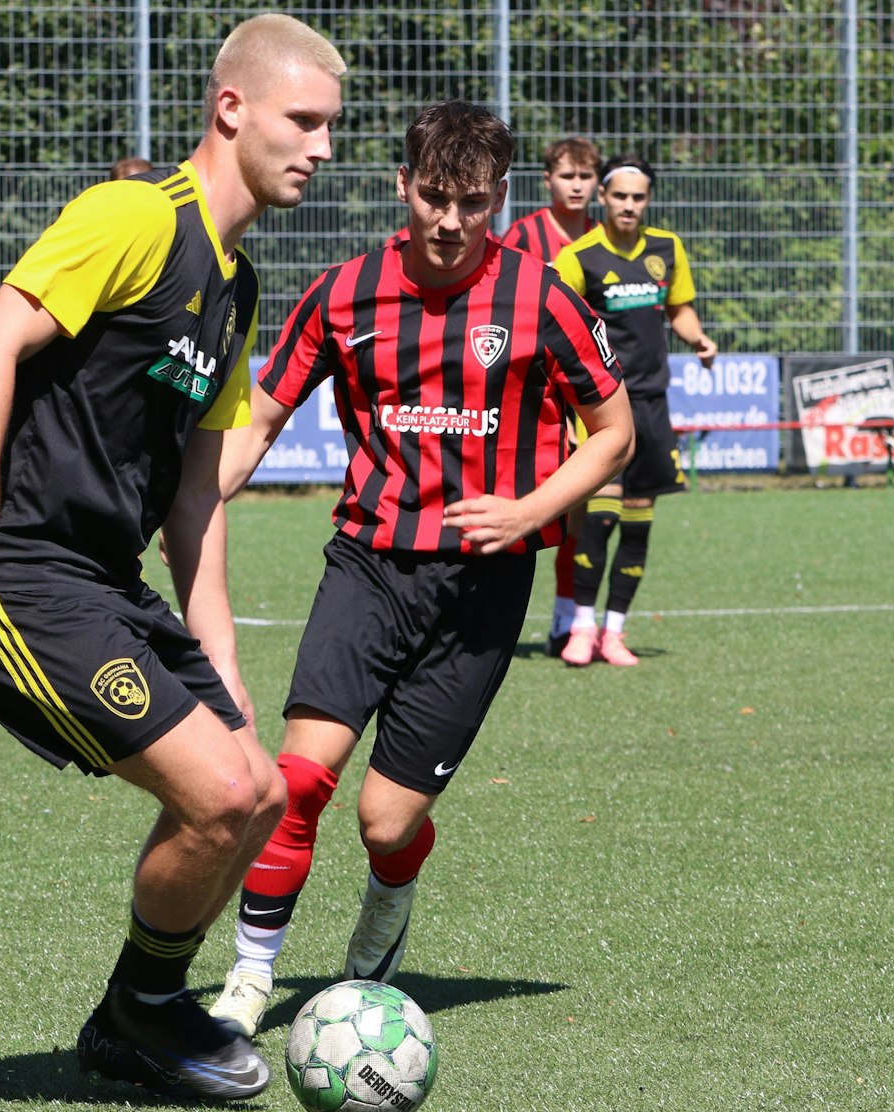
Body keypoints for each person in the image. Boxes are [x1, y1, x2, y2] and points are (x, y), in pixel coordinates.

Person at [0, 14, 345, 1101]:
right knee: (216, 799)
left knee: (261, 792)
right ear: (230, 109)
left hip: (103, 583)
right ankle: (141, 1017)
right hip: (14, 576)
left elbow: (198, 491)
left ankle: (140, 1009)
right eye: (304, 121)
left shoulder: (234, 285)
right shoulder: (135, 216)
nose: (322, 148)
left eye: (332, 127)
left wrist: (222, 656)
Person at [202, 99, 634, 1038]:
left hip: (481, 591)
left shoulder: (544, 298)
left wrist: (527, 510)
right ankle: (249, 974)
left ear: (500, 200)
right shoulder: (344, 292)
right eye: (433, 197)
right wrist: (198, 496)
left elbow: (615, 433)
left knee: (385, 823)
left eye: (471, 203)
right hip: (368, 565)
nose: (448, 221)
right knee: (297, 779)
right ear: (402, 186)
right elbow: (262, 419)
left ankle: (387, 910)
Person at [551, 155, 717, 667]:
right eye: (619, 196)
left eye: (637, 197)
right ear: (602, 198)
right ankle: (580, 627)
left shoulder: (667, 248)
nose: (628, 205)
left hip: (651, 405)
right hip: (601, 408)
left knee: (639, 524)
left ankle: (614, 633)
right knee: (599, 520)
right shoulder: (579, 257)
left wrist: (699, 339)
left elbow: (679, 309)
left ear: (648, 200)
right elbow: (551, 320)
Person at [501, 135, 602, 655]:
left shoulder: (606, 237)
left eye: (586, 177)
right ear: (548, 181)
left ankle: (570, 619)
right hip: (537, 392)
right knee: (528, 509)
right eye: (568, 176)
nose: (578, 186)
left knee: (587, 513)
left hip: (590, 391)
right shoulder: (524, 235)